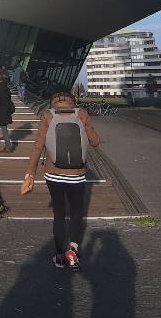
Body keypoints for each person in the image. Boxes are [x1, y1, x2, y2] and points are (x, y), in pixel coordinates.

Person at [22, 91, 100, 271]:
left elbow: (38, 146)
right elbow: (95, 141)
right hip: (77, 174)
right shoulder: (81, 114)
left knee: (59, 213)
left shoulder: (48, 115)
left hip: (53, 174)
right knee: (76, 213)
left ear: (53, 102)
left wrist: (30, 173)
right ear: (72, 101)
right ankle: (73, 250)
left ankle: (59, 256)